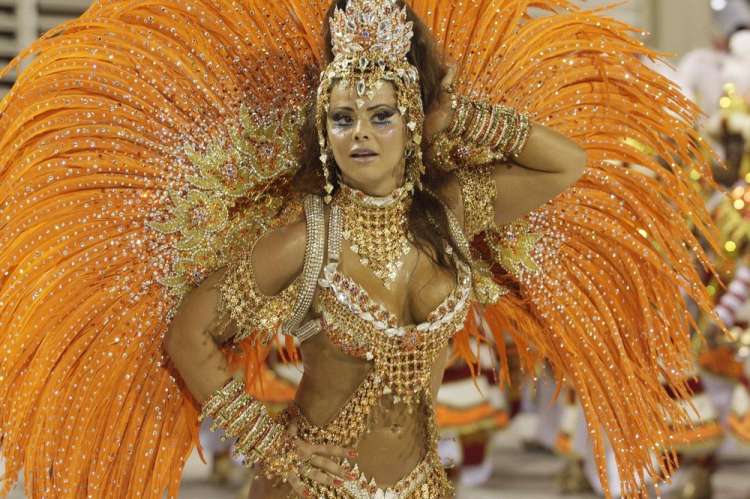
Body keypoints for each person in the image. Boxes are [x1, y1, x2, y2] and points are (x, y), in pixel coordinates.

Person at [0, 1, 721, 498]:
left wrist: (456, 116)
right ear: (324, 131)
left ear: (411, 122)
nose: (361, 135)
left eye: (381, 115)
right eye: (343, 118)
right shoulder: (308, 237)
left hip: (420, 484)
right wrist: (269, 445)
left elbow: (566, 164)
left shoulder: (451, 213)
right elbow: (189, 332)